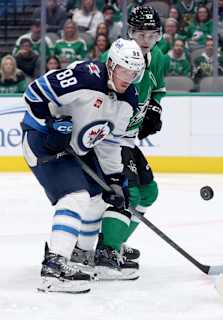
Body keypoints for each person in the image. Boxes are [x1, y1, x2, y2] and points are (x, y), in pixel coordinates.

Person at [20, 38, 145, 293]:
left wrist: (113, 178)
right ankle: (54, 268)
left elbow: (110, 142)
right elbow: (34, 92)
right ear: (111, 65)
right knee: (75, 196)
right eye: (124, 70)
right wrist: (50, 125)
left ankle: (81, 255)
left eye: (134, 73)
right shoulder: (86, 77)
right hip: (43, 140)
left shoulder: (128, 99)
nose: (128, 78)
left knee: (100, 197)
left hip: (76, 148)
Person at [90, 5, 168, 279]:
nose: (146, 41)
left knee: (149, 193)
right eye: (140, 34)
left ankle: (115, 241)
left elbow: (157, 88)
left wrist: (155, 108)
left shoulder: (158, 57)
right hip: (110, 138)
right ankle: (106, 251)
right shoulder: (114, 58)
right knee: (129, 193)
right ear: (130, 33)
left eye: (152, 35)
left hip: (128, 137)